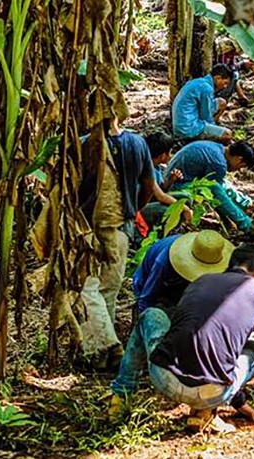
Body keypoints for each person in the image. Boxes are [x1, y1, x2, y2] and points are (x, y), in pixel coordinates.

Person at [110, 244, 254, 433]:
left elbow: (190, 336)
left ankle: (121, 396)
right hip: (213, 392)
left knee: (151, 315)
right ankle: (204, 412)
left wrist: (238, 401)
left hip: (163, 377)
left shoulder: (201, 281)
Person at [80, 118, 191, 365]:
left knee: (85, 288)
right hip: (122, 227)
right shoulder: (137, 143)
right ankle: (104, 355)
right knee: (107, 290)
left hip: (86, 227)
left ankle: (105, 346)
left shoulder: (84, 144)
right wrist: (134, 210)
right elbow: (149, 187)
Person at [165, 140, 254, 235]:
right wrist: (229, 220)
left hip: (180, 180)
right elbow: (217, 197)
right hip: (174, 186)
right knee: (215, 188)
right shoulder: (219, 163)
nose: (237, 170)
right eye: (240, 166)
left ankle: (247, 205)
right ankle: (248, 226)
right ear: (239, 159)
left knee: (222, 184)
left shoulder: (217, 148)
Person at [133, 231, 235, 318]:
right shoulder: (163, 262)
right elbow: (146, 297)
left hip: (179, 288)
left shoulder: (209, 254)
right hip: (151, 284)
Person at [172, 65, 234, 143]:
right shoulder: (207, 89)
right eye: (225, 83)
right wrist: (216, 130)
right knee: (227, 134)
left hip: (180, 126)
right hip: (189, 129)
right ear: (218, 78)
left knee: (222, 102)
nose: (225, 86)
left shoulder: (198, 82)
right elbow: (205, 116)